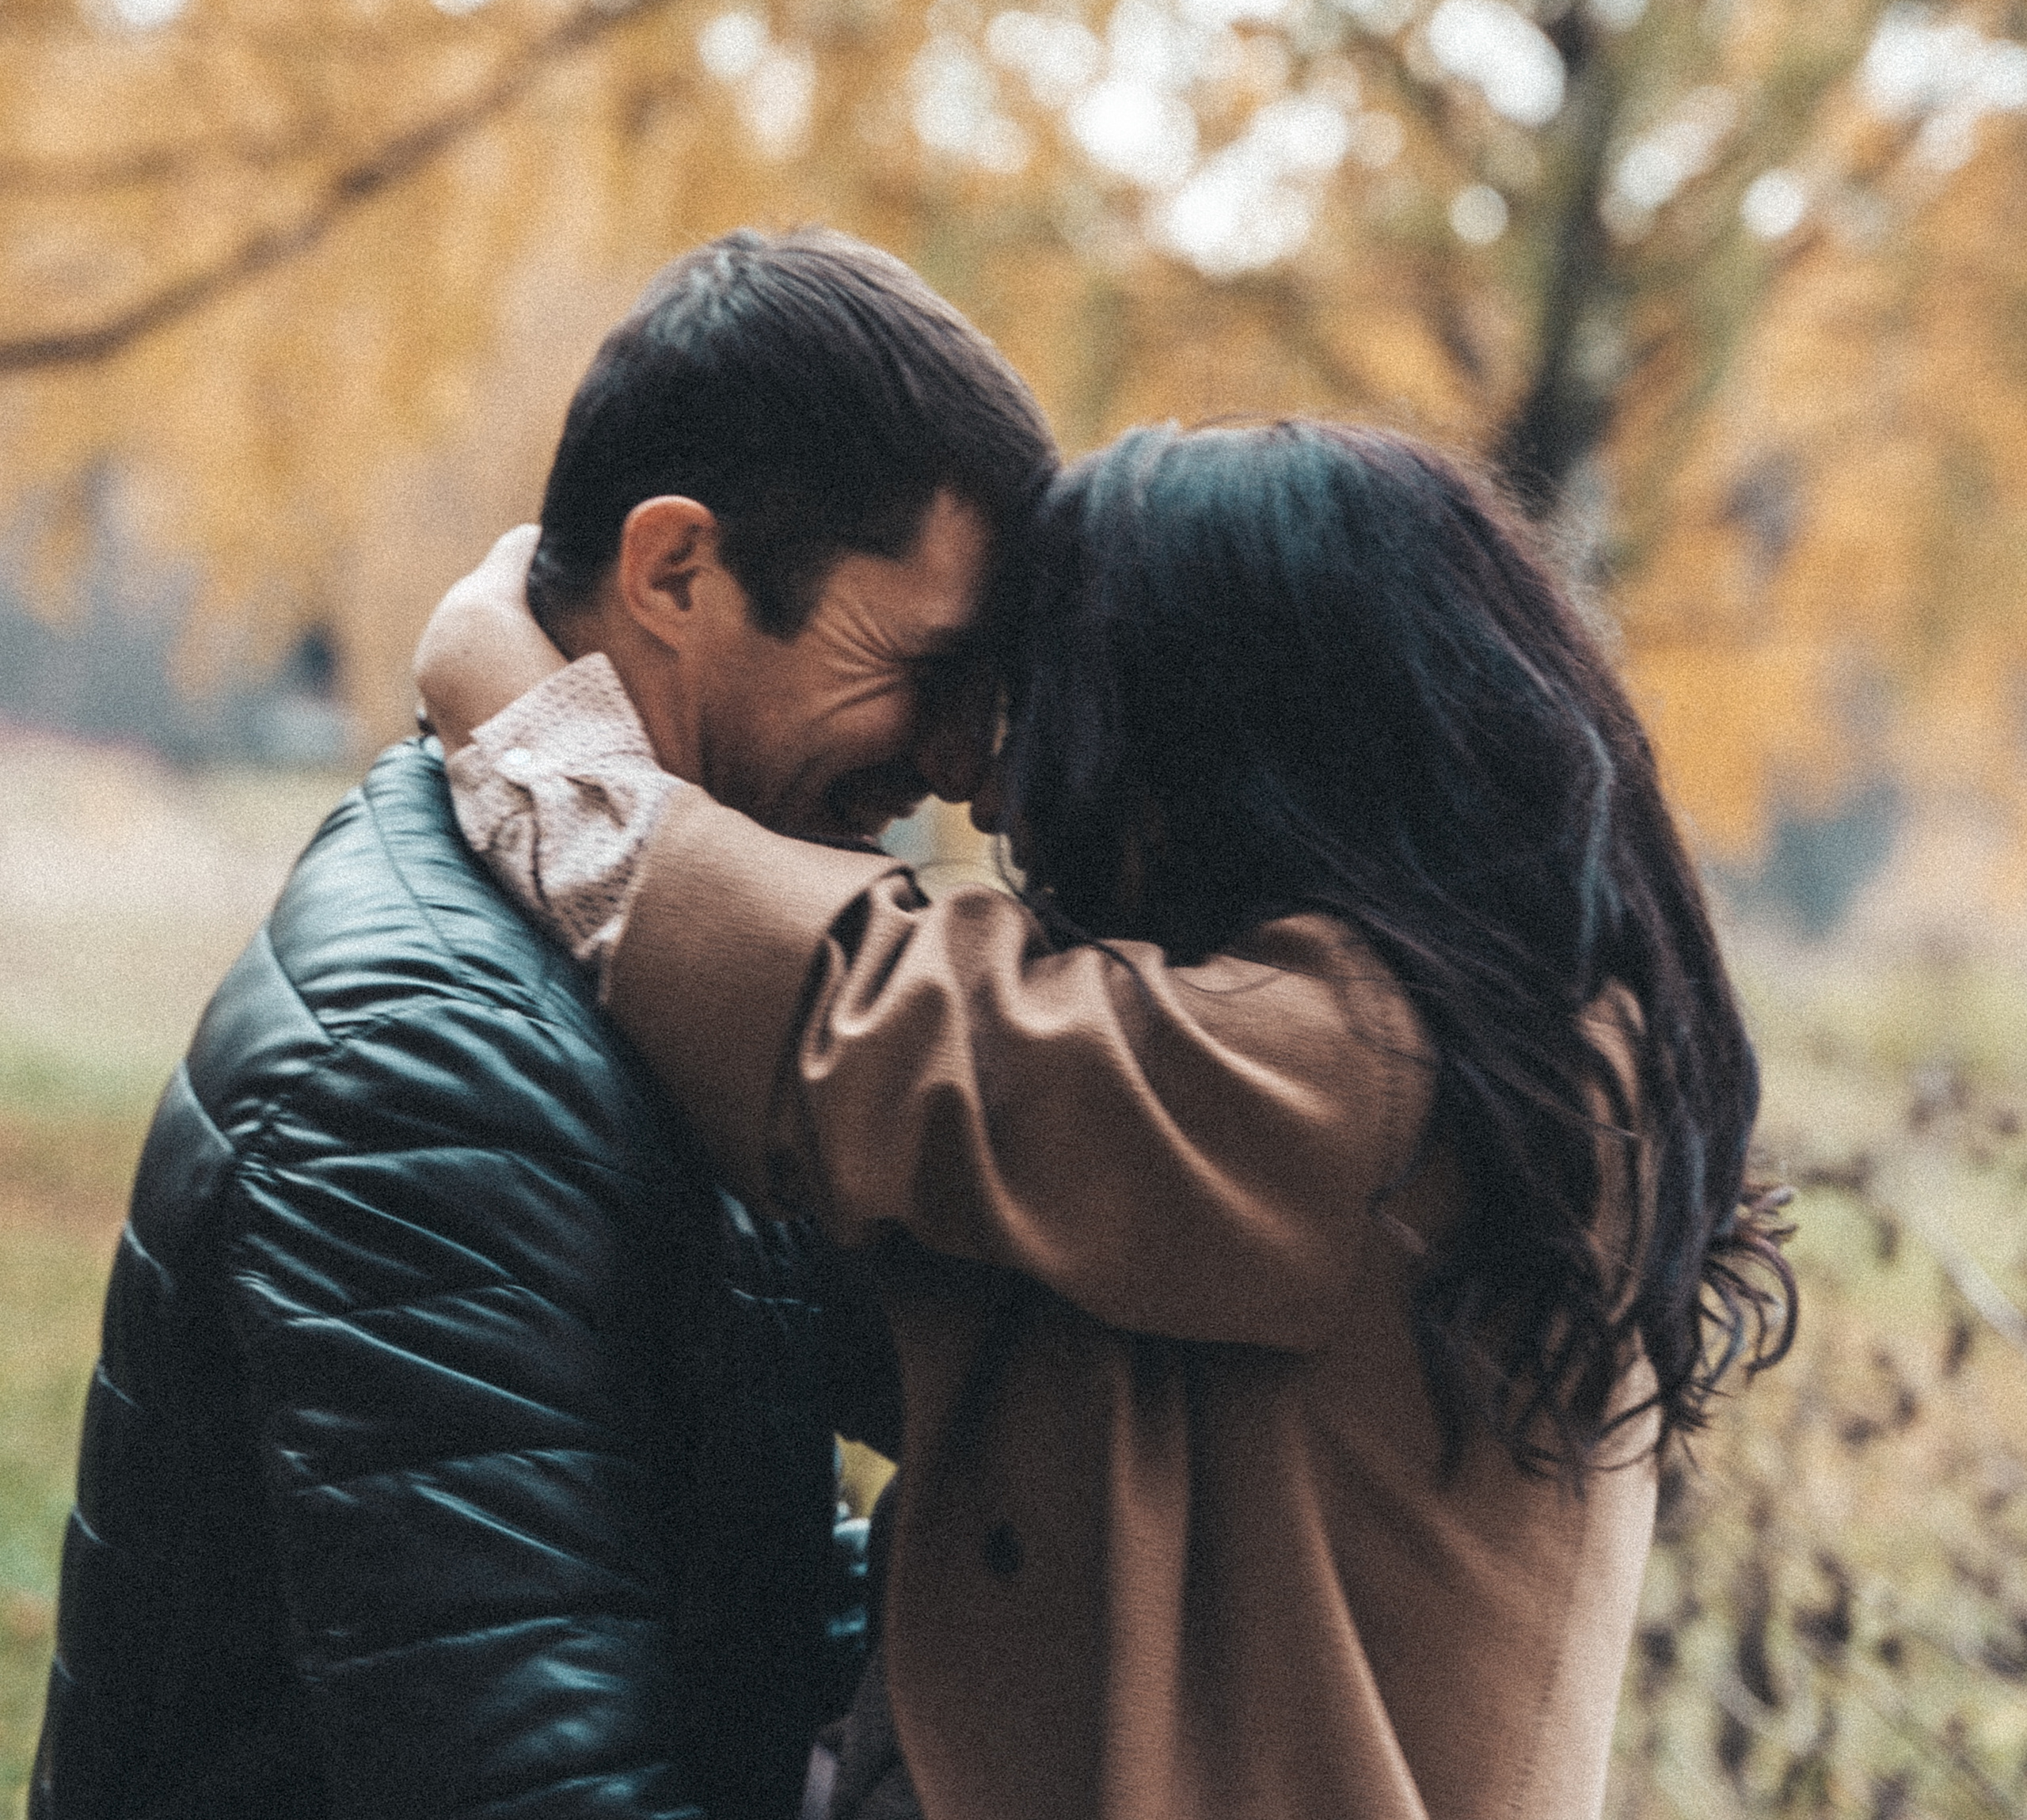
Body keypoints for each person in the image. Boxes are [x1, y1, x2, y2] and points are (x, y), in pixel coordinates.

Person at [419, 417, 1797, 1820]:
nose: (1000, 791)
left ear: (1234, 738)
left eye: (1053, 720)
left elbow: (887, 1038)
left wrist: (547, 752)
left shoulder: (1376, 1083)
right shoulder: (1464, 1047)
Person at [32, 227, 1059, 1820]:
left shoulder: (635, 967)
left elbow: (728, 1572)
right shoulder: (432, 1065)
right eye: (914, 666)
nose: (946, 760)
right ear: (674, 572)